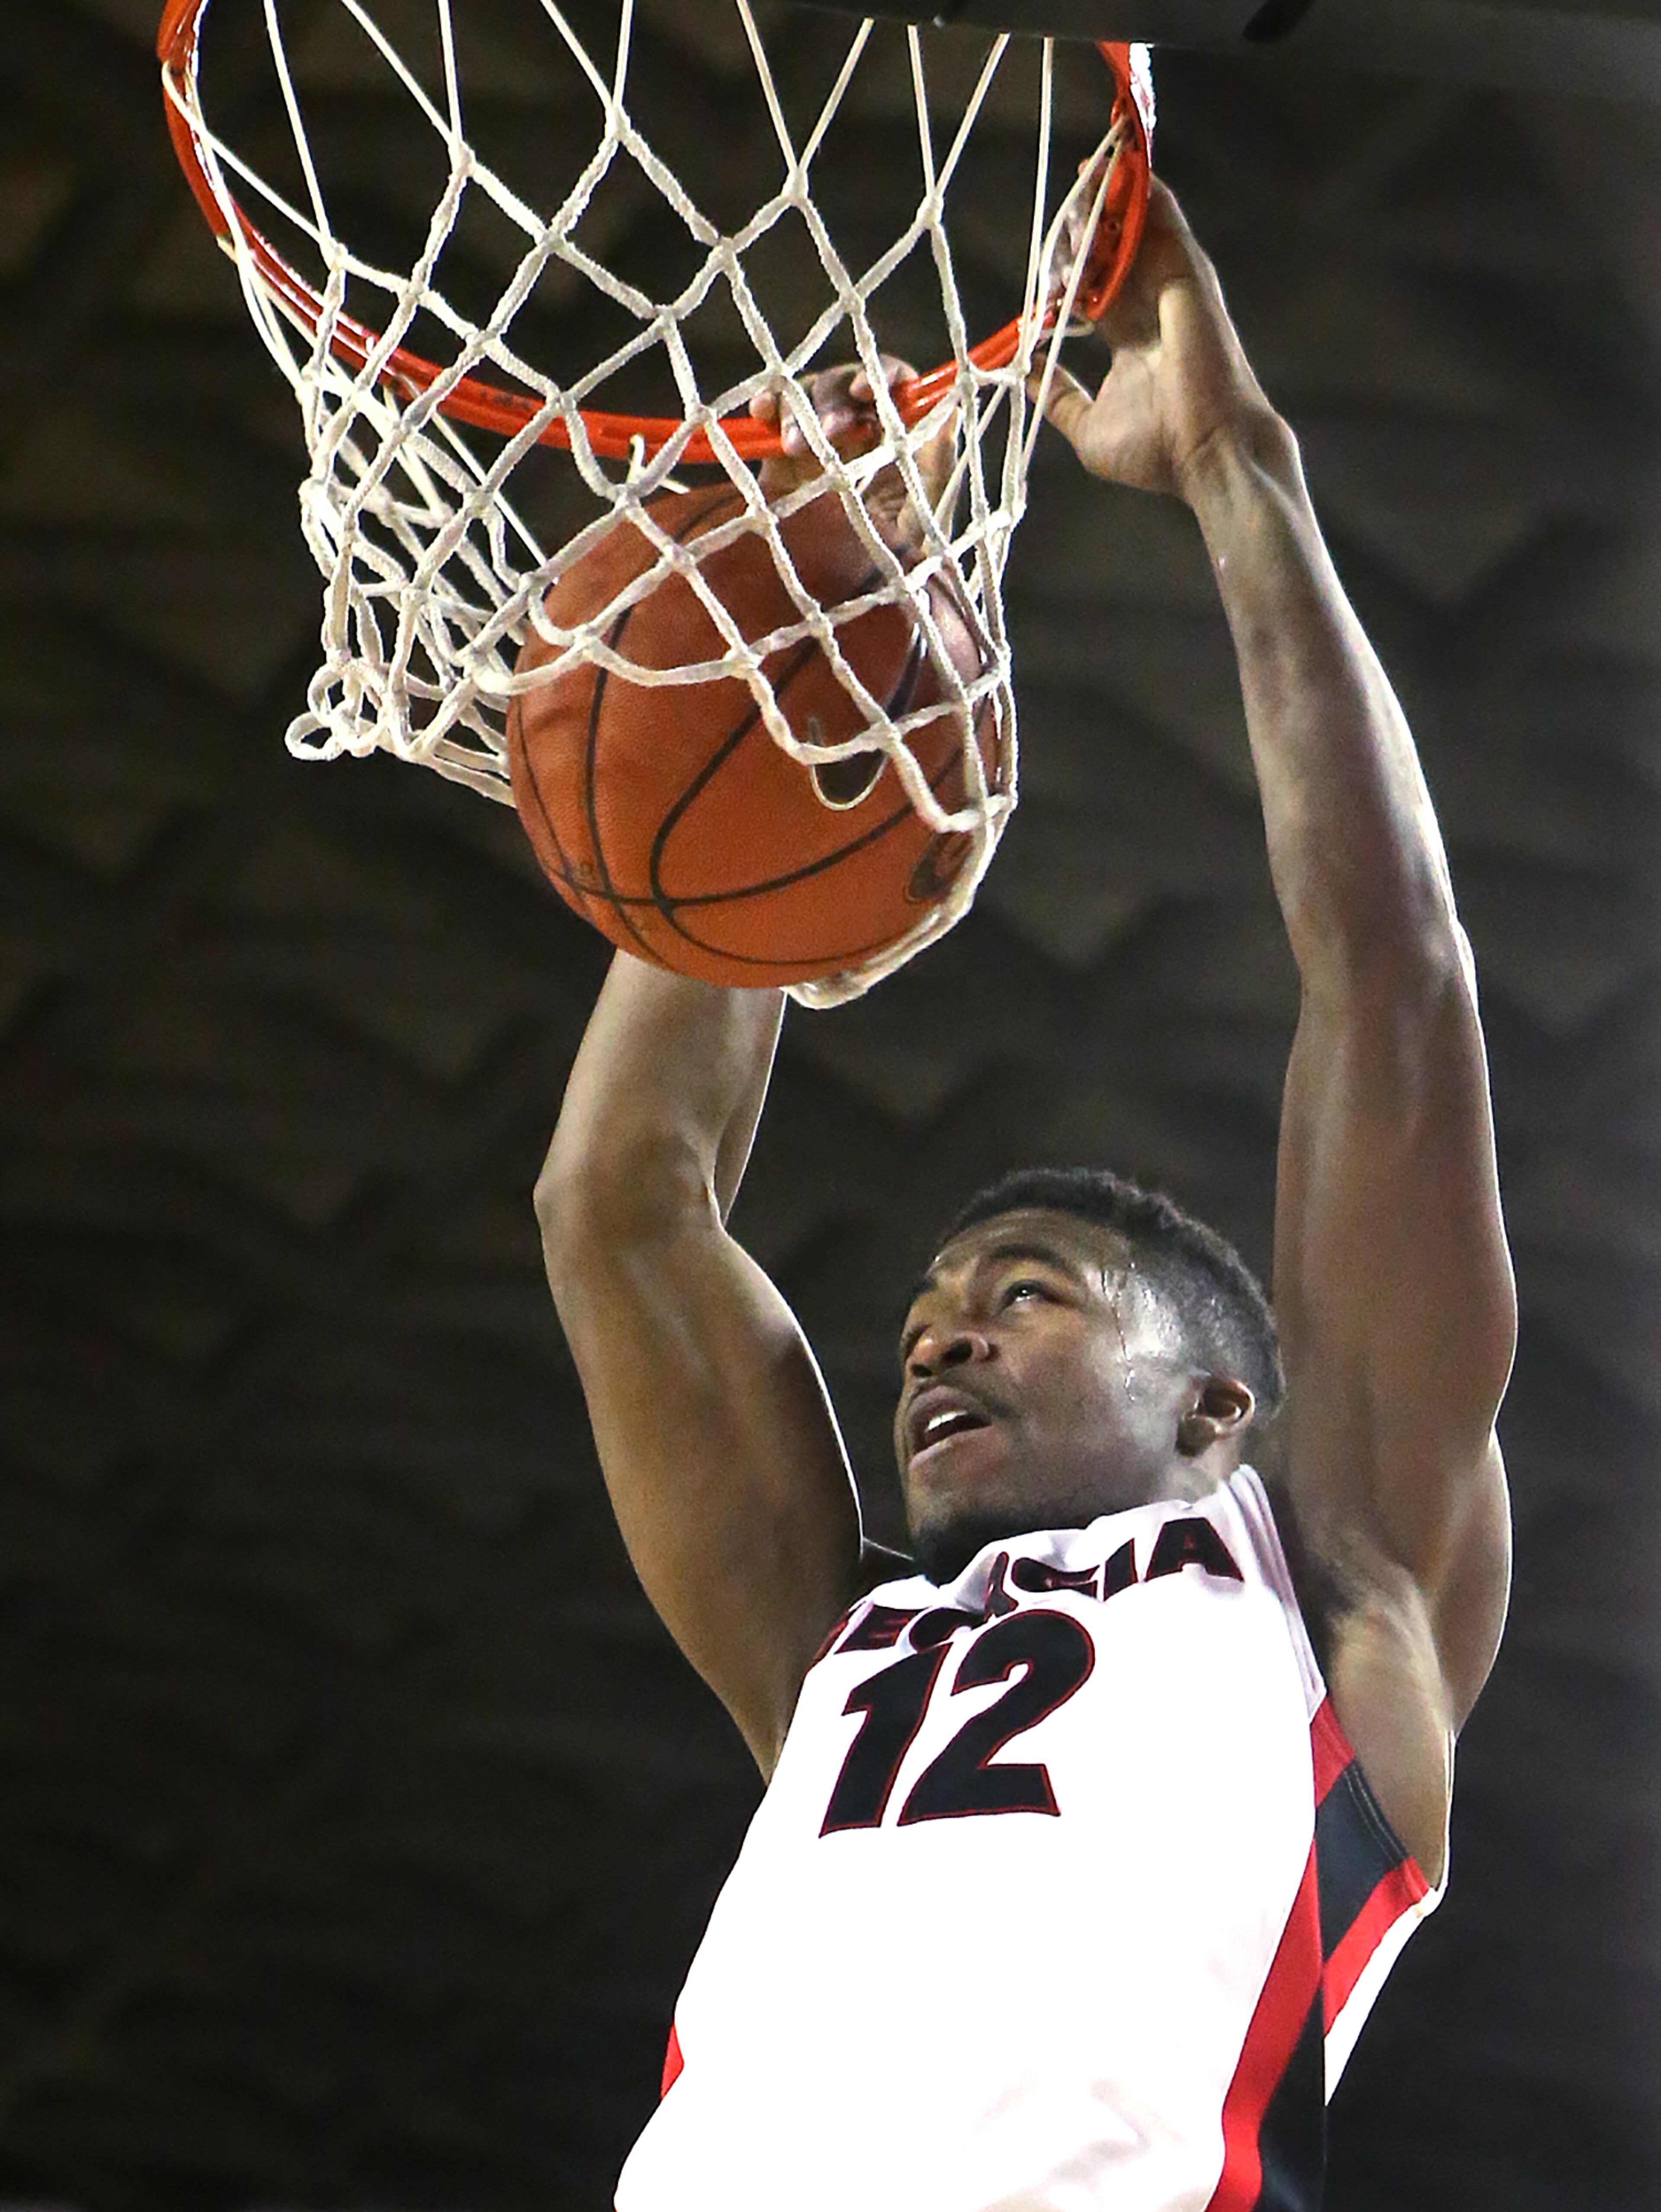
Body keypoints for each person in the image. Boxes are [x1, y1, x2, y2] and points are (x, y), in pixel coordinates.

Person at [535, 181, 1515, 2212]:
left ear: (1216, 1404)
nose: (941, 1333)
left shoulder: (1336, 1585)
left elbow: (1394, 981)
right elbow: (620, 1203)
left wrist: (1240, 474)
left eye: (1029, 1295)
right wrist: (784, 710)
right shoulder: (847, 1641)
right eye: (926, 1316)